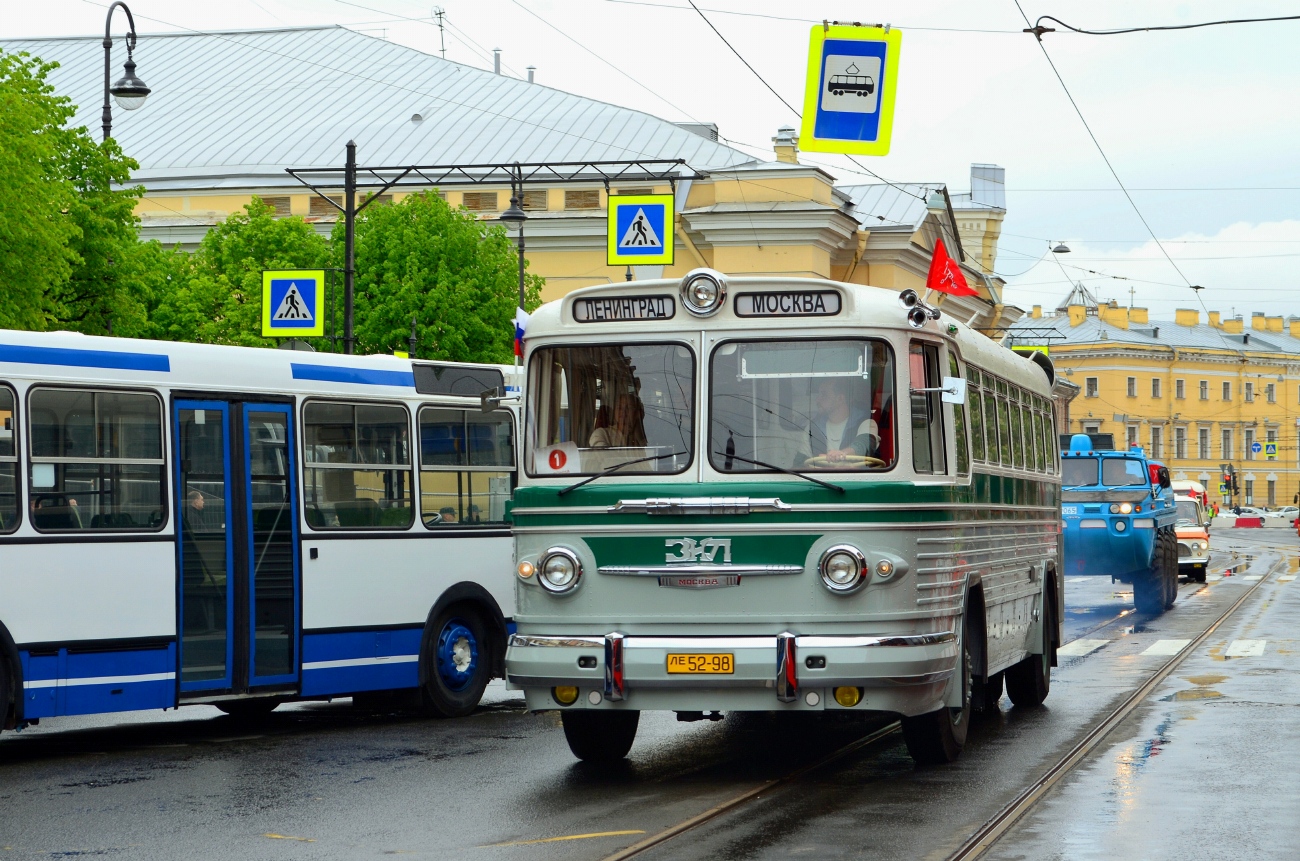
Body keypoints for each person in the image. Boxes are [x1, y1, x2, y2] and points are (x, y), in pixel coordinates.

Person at [805, 378, 878, 464]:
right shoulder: (812, 428)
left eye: (824, 395)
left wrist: (842, 454)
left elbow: (864, 444)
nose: (817, 400)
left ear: (840, 398)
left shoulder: (865, 422)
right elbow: (800, 461)